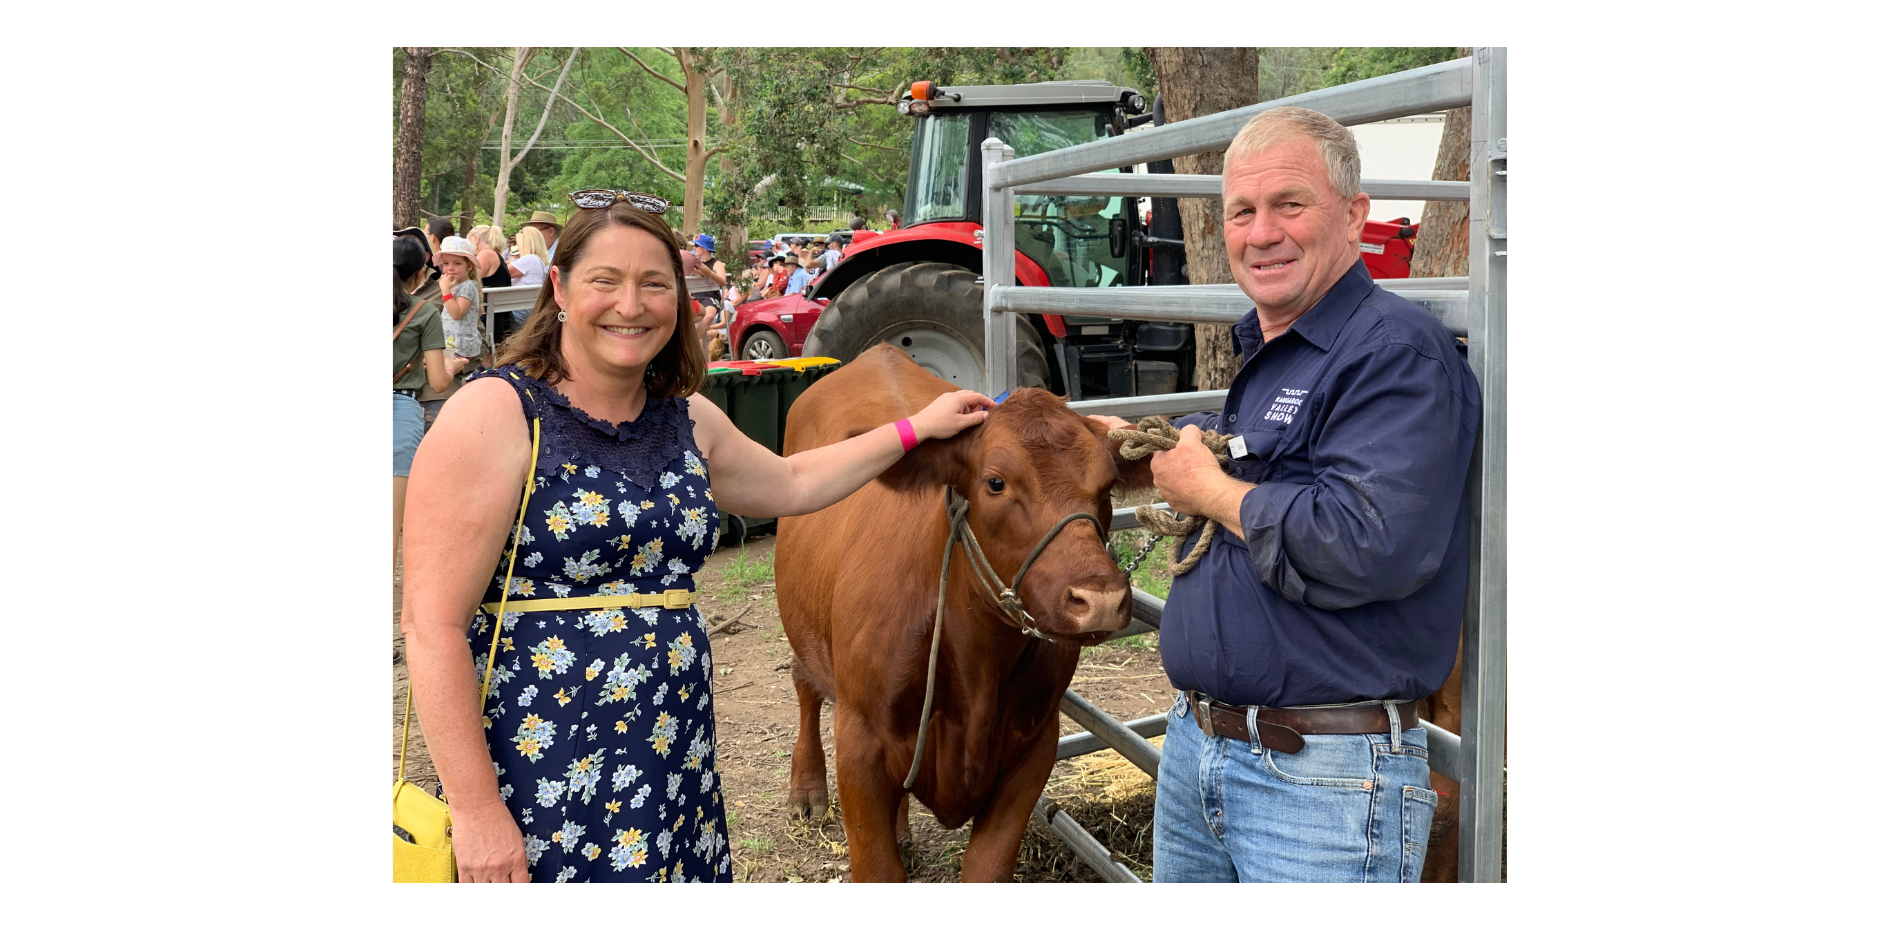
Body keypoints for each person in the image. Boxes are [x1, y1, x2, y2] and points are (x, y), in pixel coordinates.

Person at [400, 190, 994, 882]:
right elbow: (431, 625)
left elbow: (794, 484)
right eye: (605, 281)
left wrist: (916, 429)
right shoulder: (495, 414)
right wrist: (475, 812)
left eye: (655, 284)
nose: (632, 305)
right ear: (559, 287)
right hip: (542, 766)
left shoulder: (685, 420)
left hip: (670, 757)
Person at [1090, 107, 1479, 883]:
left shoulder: (1395, 354)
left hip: (1322, 780)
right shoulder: (1278, 351)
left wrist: (1210, 492)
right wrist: (1113, 442)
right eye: (1242, 211)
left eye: (1289, 205)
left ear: (1355, 216)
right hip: (1201, 748)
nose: (1261, 233)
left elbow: (1367, 541)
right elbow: (1263, 455)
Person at [392, 237, 468, 572]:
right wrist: (454, 366)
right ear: (421, 272)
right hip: (400, 414)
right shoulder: (424, 314)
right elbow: (438, 382)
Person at [435, 236, 487, 370]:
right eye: (446, 263)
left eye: (457, 263)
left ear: (469, 266)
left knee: (445, 368)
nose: (450, 268)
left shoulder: (468, 286)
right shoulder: (455, 284)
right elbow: (478, 311)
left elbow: (456, 314)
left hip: (461, 344)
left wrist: (445, 290)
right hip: (450, 339)